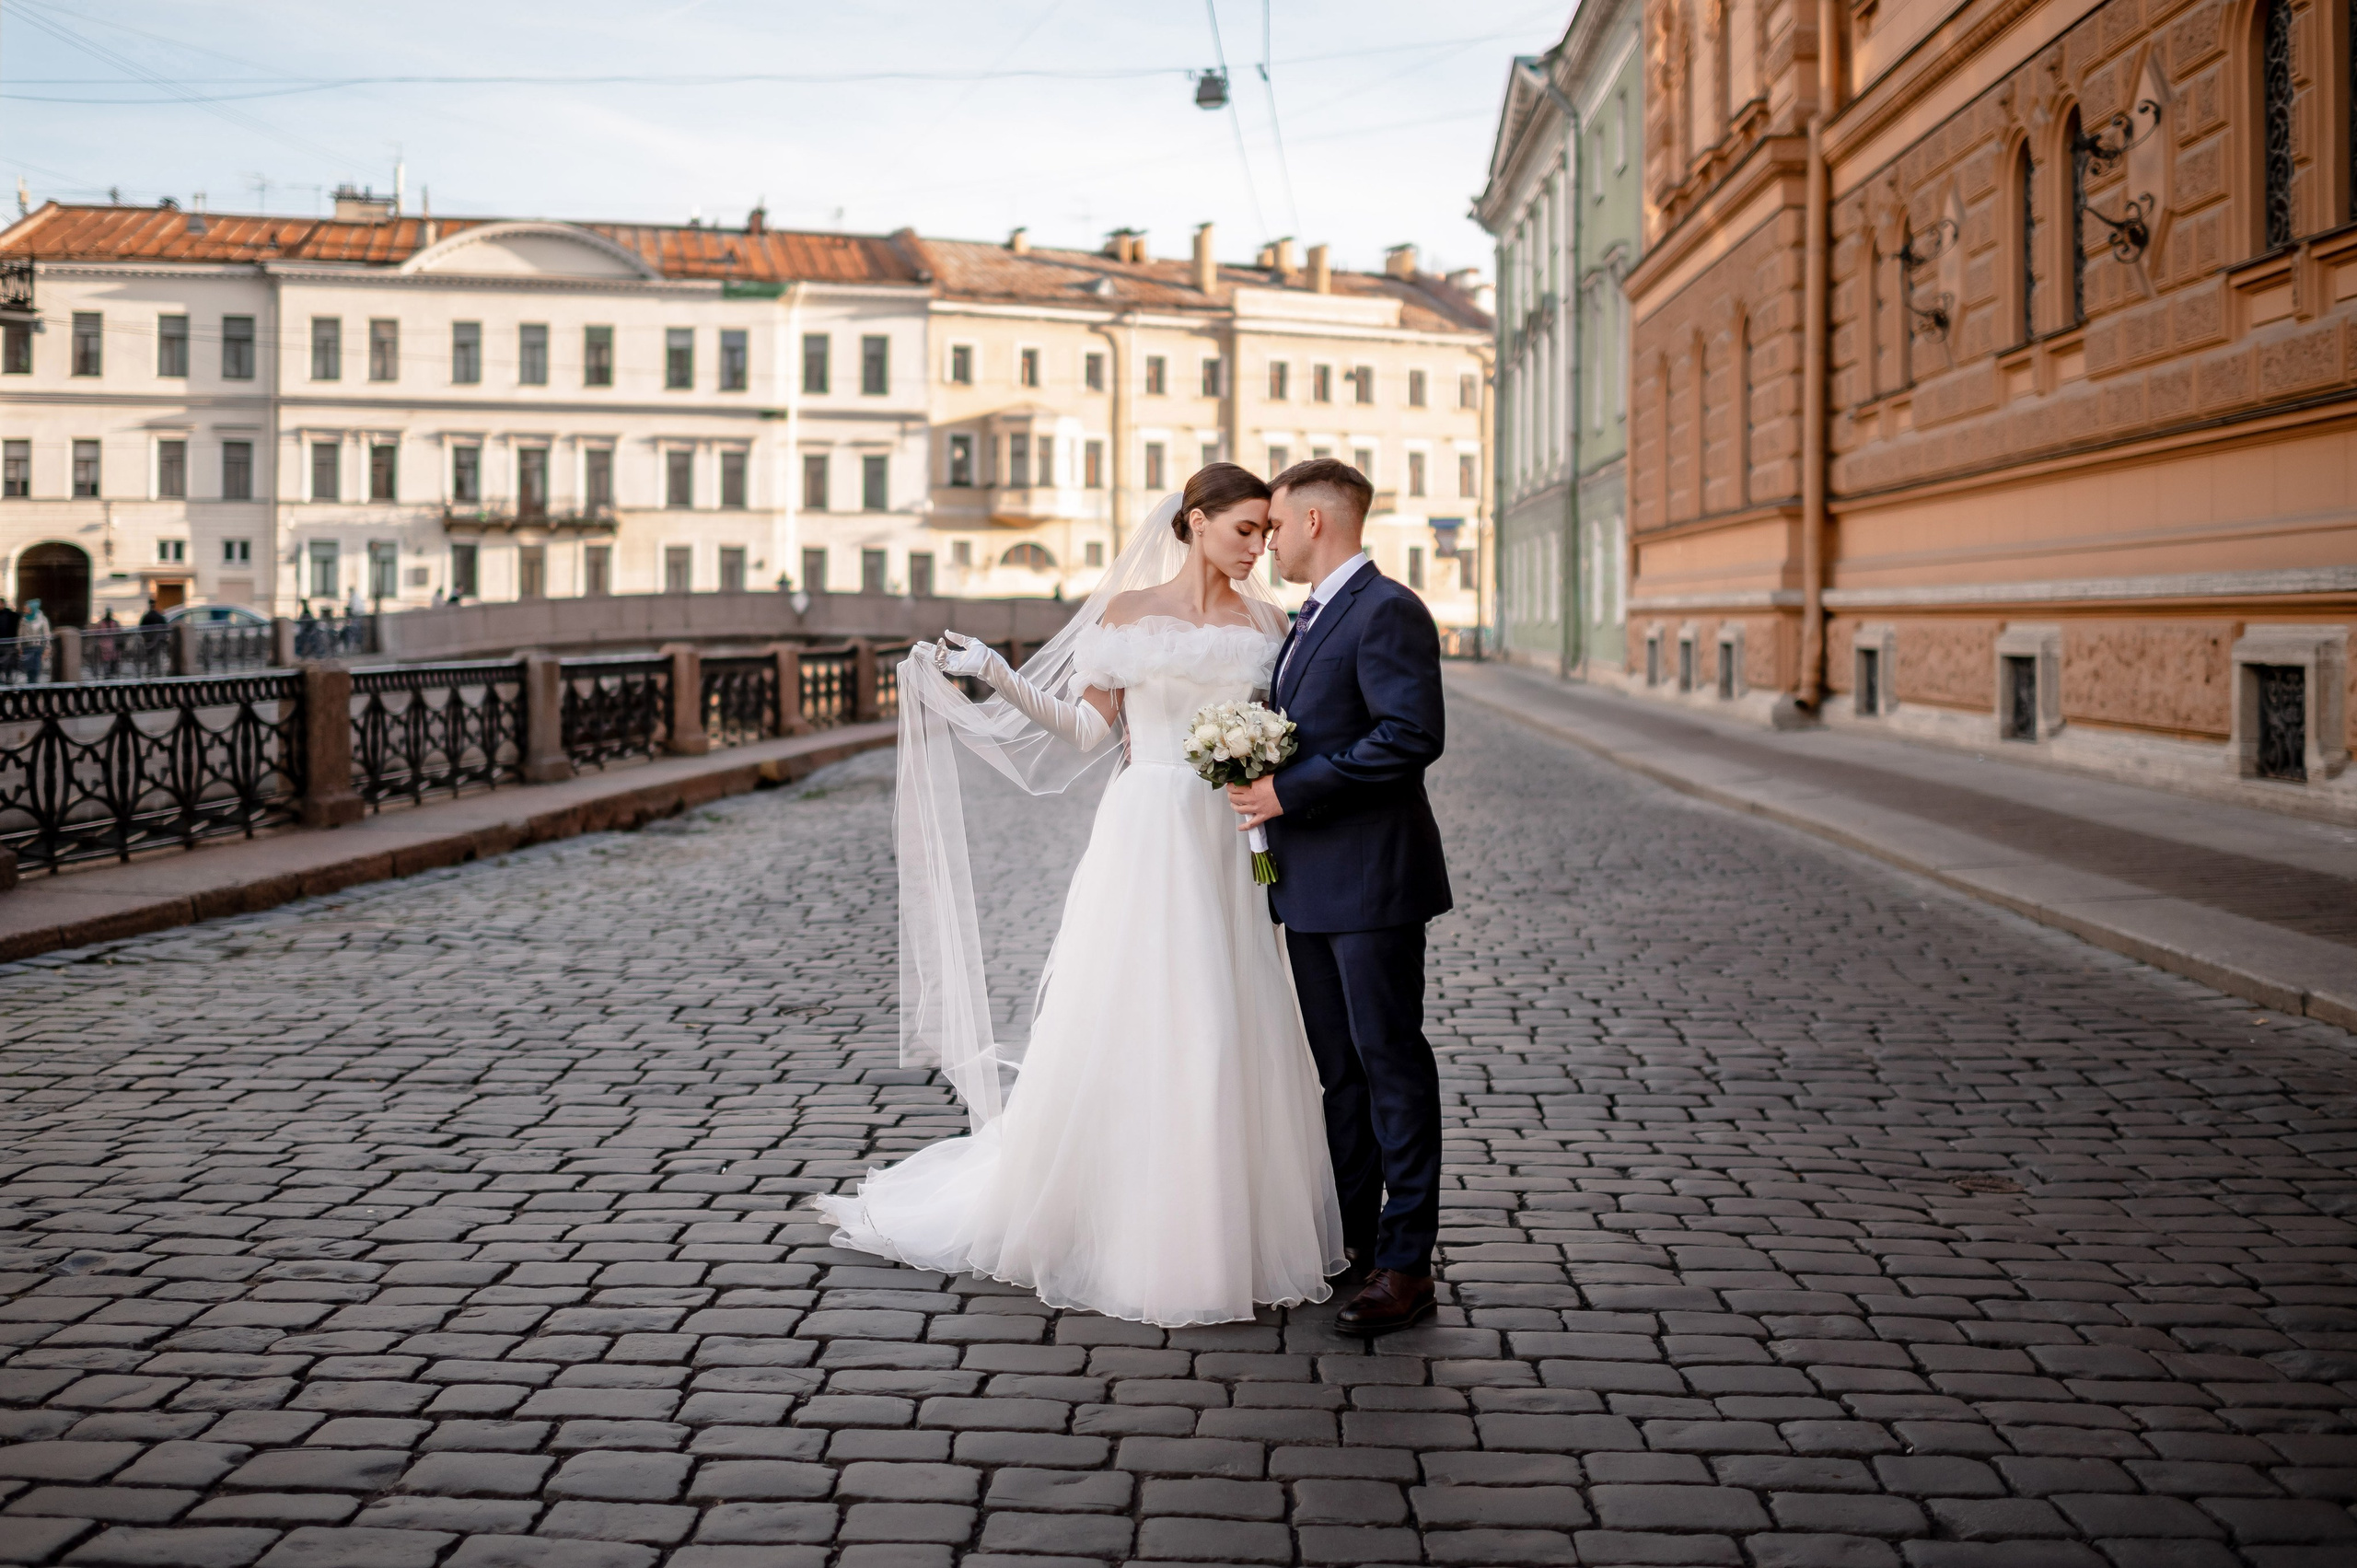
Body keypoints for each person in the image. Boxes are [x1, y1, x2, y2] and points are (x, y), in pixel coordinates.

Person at [817, 464, 1344, 1327]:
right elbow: (1084, 729)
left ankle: (1225, 1223)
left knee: (1229, 1012)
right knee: (1146, 1011)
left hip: (1227, 833)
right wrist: (997, 673)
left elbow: (1287, 730)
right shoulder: (1127, 614)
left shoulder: (1270, 624)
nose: (1258, 547)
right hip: (1148, 831)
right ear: (1196, 521)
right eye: (1244, 529)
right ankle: (1133, 1224)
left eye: (1265, 532)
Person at [1228, 458, 1452, 1336]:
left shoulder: (1387, 608)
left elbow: (1410, 735)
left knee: (1390, 1063)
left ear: (1316, 521)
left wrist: (1288, 790)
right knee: (1340, 1073)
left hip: (1373, 880)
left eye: (1278, 525)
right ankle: (1354, 1237)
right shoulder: (1308, 618)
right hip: (1310, 885)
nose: (1270, 541)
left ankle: (1407, 1263)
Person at [18, 598, 49, 683]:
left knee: (36, 667)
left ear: (32, 608)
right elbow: (20, 634)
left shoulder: (42, 620)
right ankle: (30, 684)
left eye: (27, 608)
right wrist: (19, 646)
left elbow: (46, 635)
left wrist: (47, 648)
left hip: (38, 647)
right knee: (28, 667)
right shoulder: (23, 620)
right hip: (27, 647)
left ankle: (34, 684)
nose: (25, 609)